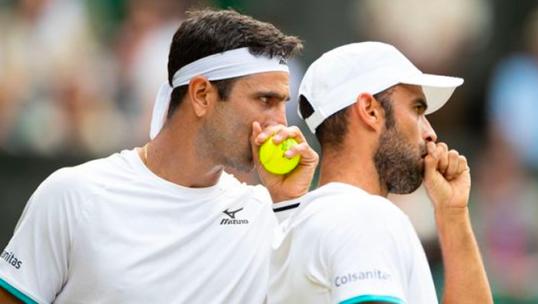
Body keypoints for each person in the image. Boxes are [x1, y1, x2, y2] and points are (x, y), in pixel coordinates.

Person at [0, 9, 318, 304]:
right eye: (265, 100)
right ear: (202, 95)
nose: (281, 123)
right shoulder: (74, 195)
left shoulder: (268, 214)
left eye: (282, 104)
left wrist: (290, 203)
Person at [268, 42, 492, 303]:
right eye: (417, 109)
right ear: (370, 110)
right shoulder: (362, 216)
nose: (430, 133)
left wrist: (453, 213)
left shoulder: (304, 220)